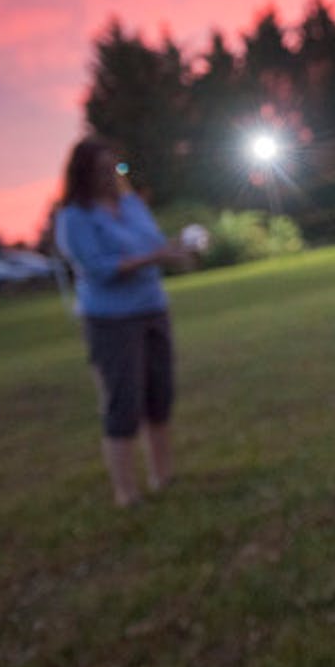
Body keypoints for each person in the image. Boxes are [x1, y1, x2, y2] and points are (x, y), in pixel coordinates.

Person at [55, 137, 190, 507]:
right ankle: (126, 492)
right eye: (100, 171)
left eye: (113, 168)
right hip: (111, 319)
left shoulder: (131, 204)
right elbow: (98, 269)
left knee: (159, 395)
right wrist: (153, 258)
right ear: (82, 175)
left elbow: (154, 242)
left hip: (152, 308)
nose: (109, 176)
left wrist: (177, 250)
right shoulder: (73, 218)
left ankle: (163, 476)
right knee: (123, 402)